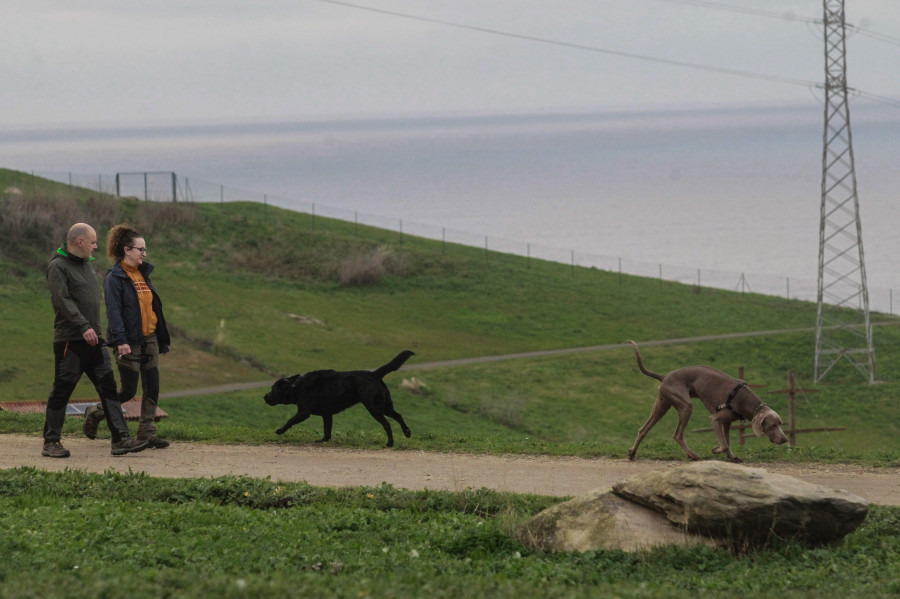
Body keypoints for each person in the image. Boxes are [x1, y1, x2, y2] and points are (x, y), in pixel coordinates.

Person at [42, 223, 150, 458]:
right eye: (92, 242)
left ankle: (120, 439)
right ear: (79, 242)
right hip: (71, 341)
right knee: (62, 390)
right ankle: (51, 442)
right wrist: (83, 327)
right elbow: (62, 302)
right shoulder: (58, 267)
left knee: (109, 389)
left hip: (95, 341)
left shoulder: (87, 266)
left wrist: (95, 331)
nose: (96, 246)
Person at [83, 224, 171, 449]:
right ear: (126, 250)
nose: (144, 253)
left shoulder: (143, 274)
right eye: (140, 249)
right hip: (128, 341)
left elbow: (152, 307)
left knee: (152, 386)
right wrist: (121, 341)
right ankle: (96, 412)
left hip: (149, 338)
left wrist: (160, 337)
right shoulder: (115, 277)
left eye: (144, 249)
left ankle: (146, 433)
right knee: (129, 390)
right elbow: (114, 312)